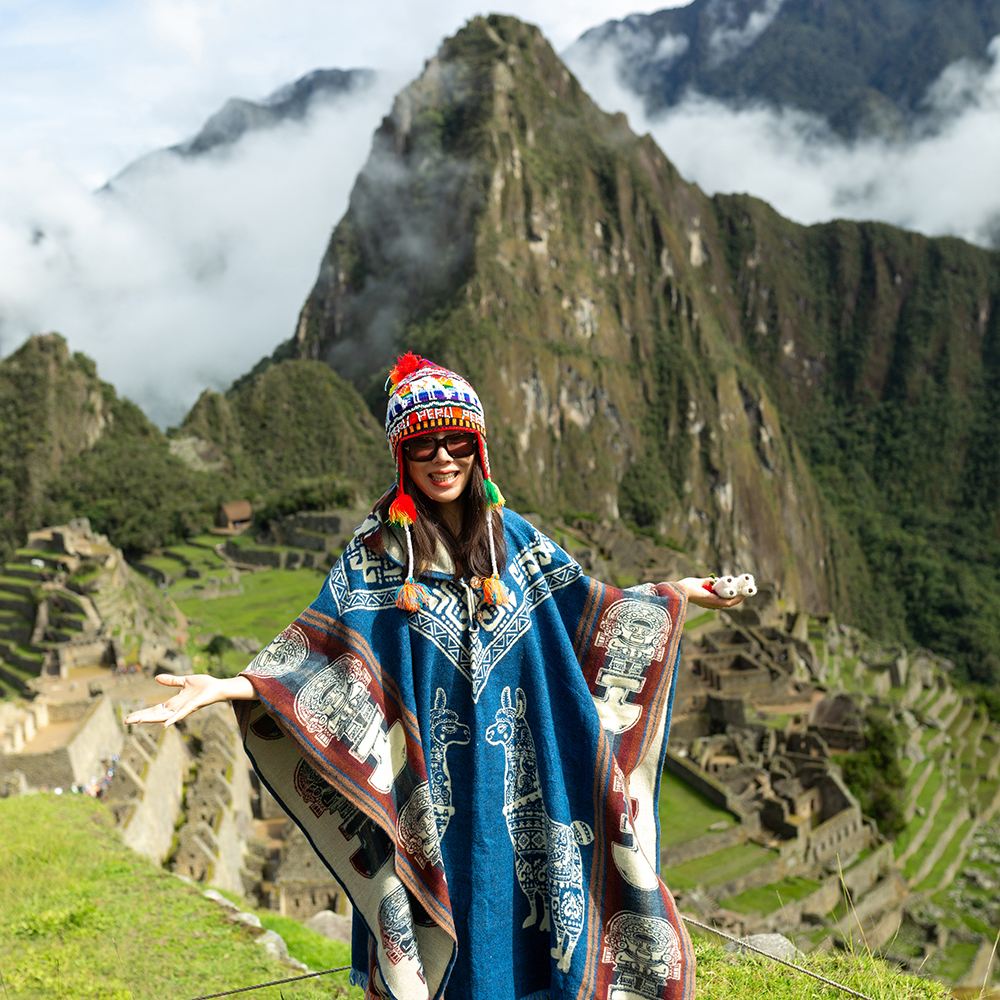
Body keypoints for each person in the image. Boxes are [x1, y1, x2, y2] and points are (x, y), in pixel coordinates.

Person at [125, 352, 748, 1000]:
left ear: (477, 448)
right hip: (434, 805)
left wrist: (676, 595)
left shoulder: (516, 542)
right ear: (403, 456)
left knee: (531, 933)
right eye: (425, 444)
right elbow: (325, 646)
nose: (443, 457)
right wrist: (233, 686)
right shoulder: (378, 556)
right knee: (448, 951)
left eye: (457, 441)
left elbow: (588, 610)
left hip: (518, 795)